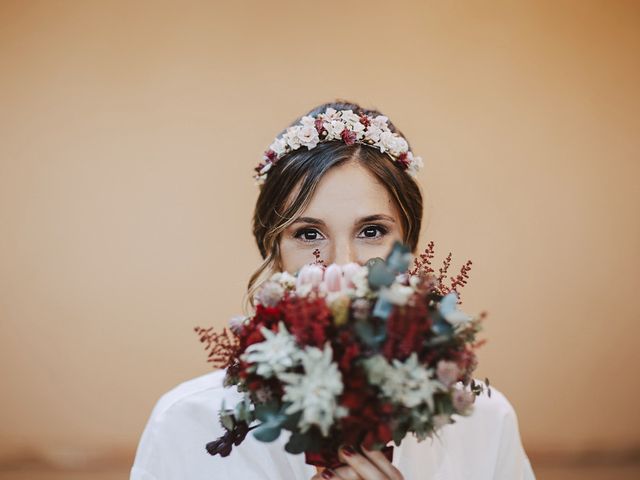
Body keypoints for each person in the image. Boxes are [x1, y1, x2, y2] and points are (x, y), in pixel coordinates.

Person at [130, 100, 536, 479]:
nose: (343, 264)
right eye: (308, 234)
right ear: (274, 252)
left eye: (372, 231)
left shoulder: (483, 420)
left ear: (408, 249)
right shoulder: (185, 422)